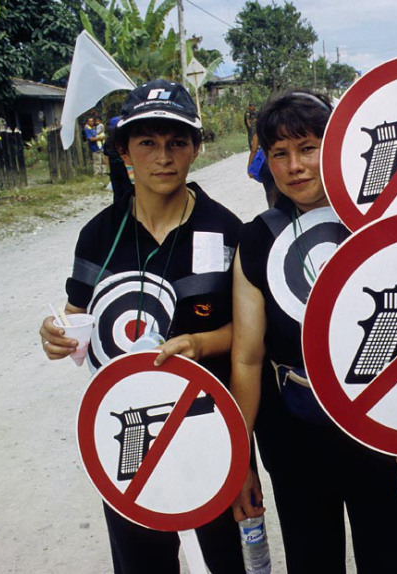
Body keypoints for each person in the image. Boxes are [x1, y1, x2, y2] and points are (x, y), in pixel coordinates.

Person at [39, 79, 245, 574]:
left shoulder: (227, 230)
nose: (163, 157)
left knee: (219, 561)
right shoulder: (98, 235)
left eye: (176, 141)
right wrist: (55, 333)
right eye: (147, 142)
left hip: (206, 428)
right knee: (141, 562)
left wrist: (198, 343)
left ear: (196, 147)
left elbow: (250, 336)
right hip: (126, 430)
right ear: (124, 150)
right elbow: (77, 316)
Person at [230, 89, 397, 574]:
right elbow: (247, 357)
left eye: (308, 147)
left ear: (338, 146)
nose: (294, 166)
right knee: (311, 558)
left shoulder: (384, 224)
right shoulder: (257, 239)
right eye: (280, 154)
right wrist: (238, 457)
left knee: (388, 556)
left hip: (378, 423)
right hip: (293, 429)